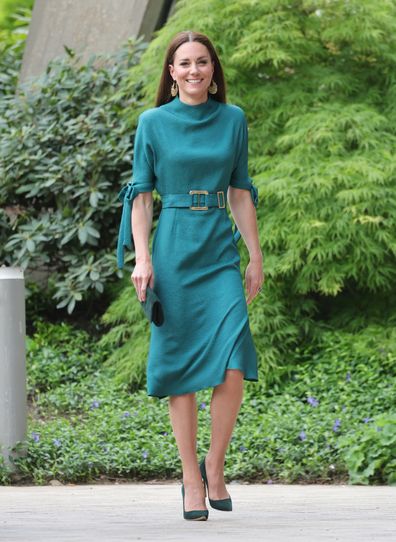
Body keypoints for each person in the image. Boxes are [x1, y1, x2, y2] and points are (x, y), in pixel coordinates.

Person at [118, 30, 264, 521]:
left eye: (203, 62)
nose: (195, 70)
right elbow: (140, 197)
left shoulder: (233, 120)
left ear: (213, 70)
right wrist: (143, 258)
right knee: (180, 368)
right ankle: (189, 479)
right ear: (172, 72)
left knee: (234, 362)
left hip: (219, 250)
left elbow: (240, 191)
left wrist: (255, 255)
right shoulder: (152, 123)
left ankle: (215, 465)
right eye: (185, 63)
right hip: (174, 248)